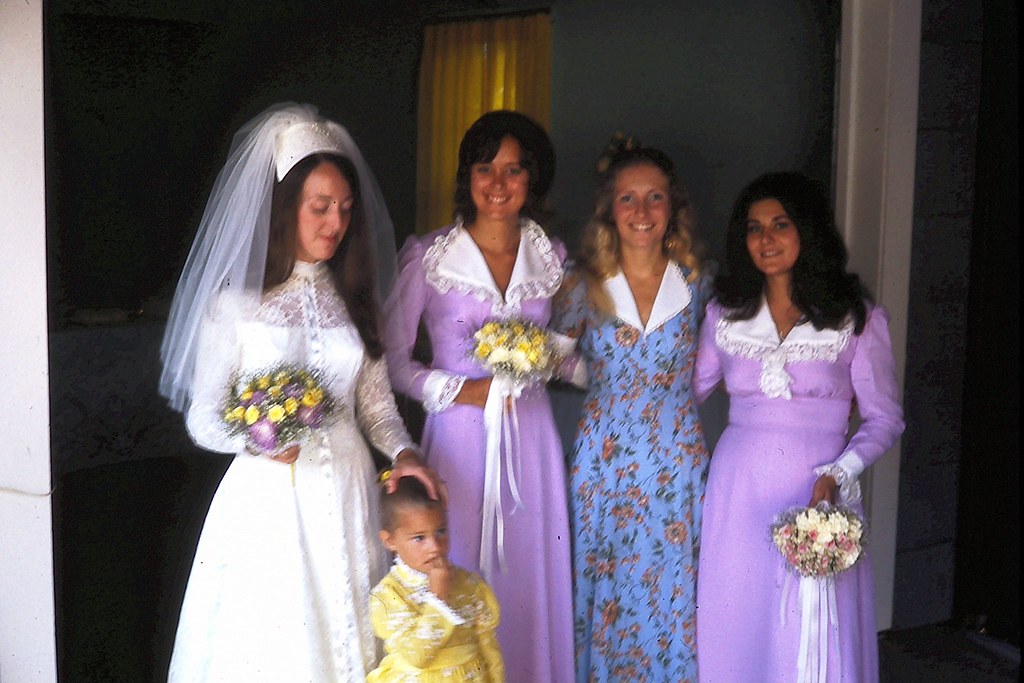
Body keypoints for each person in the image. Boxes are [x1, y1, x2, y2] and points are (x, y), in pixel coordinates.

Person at [158, 102, 440, 682]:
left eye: (344, 209)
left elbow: (377, 408)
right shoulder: (233, 306)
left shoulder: (353, 301)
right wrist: (258, 439)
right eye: (320, 207)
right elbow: (204, 418)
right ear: (286, 208)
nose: (335, 223)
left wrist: (406, 453)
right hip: (271, 505)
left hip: (350, 494)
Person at [383, 110, 573, 683]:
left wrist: (543, 361)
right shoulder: (429, 256)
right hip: (459, 440)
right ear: (466, 176)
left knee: (528, 576)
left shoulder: (554, 257)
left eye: (514, 170)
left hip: (531, 439)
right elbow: (392, 362)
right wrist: (460, 389)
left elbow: (570, 349)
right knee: (456, 564)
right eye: (485, 168)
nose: (498, 183)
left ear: (532, 181)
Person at [694, 171, 905, 682]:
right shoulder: (724, 315)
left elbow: (884, 417)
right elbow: (682, 394)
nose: (765, 239)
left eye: (780, 224)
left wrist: (839, 473)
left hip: (819, 492)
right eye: (753, 228)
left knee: (812, 630)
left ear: (806, 231)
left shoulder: (855, 318)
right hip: (739, 492)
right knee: (739, 619)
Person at [550, 136, 709, 682]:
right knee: (605, 585)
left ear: (673, 208)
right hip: (605, 460)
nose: (642, 212)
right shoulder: (582, 282)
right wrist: (601, 377)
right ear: (609, 210)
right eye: (627, 198)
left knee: (673, 589)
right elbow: (556, 362)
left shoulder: (698, 283)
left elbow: (716, 367)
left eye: (655, 198)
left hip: (675, 459)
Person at [368, 474, 504, 682]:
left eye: (441, 531)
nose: (434, 546)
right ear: (390, 540)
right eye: (419, 538)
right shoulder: (388, 595)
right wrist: (437, 598)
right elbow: (417, 655)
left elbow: (489, 649)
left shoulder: (470, 584)